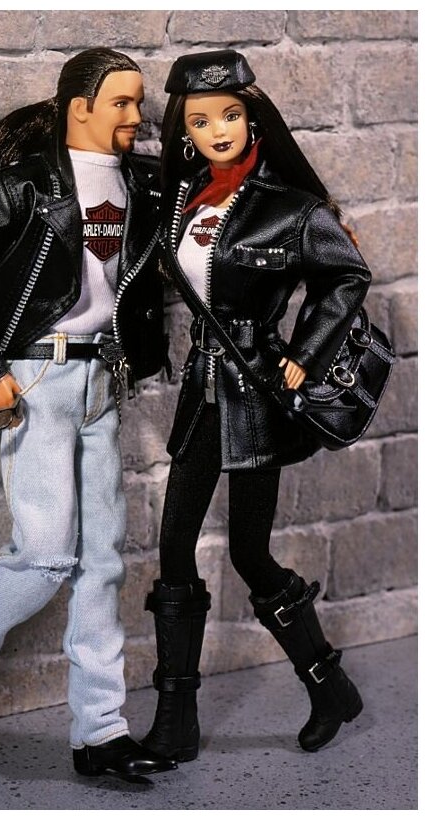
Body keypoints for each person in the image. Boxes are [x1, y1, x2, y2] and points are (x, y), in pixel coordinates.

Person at [0, 47, 175, 780]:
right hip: (37, 378)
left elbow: (226, 189)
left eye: (138, 101)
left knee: (103, 560)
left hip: (103, 381)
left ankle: (101, 732)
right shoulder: (19, 186)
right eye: (121, 102)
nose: (136, 115)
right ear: (79, 107)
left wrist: (323, 221)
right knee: (45, 554)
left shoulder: (145, 184)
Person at [141, 50, 371, 763]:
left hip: (254, 390)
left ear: (252, 118)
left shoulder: (290, 209)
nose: (217, 129)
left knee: (248, 550)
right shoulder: (183, 197)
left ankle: (328, 684)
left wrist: (307, 350)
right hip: (201, 388)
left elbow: (347, 276)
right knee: (174, 545)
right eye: (200, 120)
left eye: (230, 115)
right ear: (183, 130)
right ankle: (176, 716)